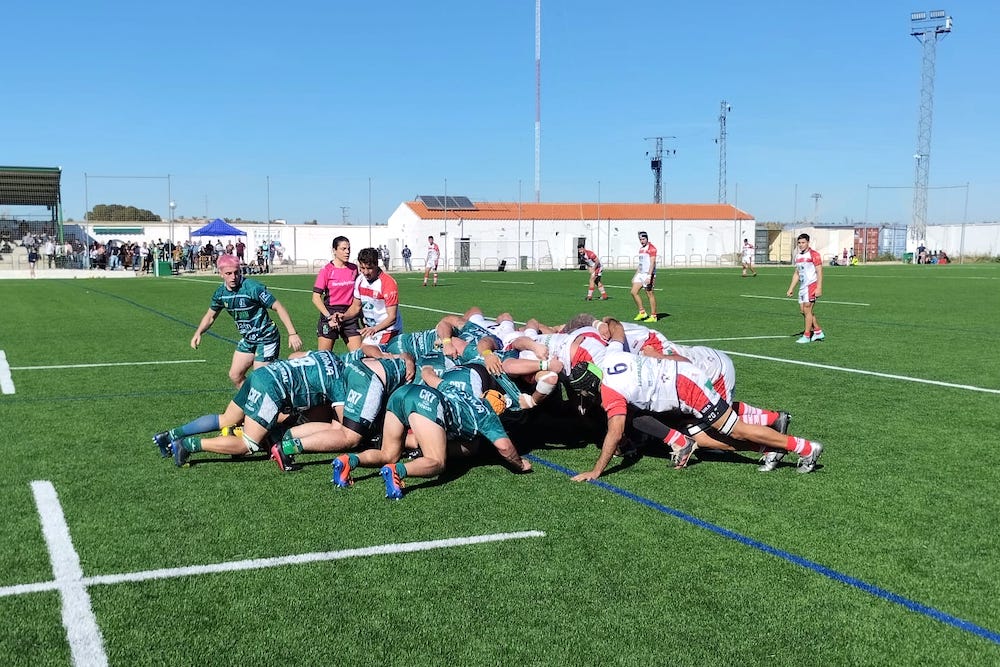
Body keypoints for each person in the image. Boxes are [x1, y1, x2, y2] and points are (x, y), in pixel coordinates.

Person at [567, 319, 824, 480]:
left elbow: (614, 433)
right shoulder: (611, 355)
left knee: (735, 429)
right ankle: (770, 447)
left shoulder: (610, 391)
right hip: (683, 381)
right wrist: (605, 323)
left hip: (688, 387)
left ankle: (804, 448)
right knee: (702, 434)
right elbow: (616, 327)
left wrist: (596, 470)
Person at [331, 382, 530, 499]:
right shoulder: (489, 416)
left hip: (403, 392)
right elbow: (504, 447)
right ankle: (398, 471)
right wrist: (520, 464)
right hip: (427, 403)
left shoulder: (464, 393)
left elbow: (430, 376)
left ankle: (348, 461)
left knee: (389, 453)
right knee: (437, 462)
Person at [153, 350, 346, 467]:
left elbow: (294, 355)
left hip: (263, 373)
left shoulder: (327, 355)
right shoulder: (339, 382)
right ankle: (187, 445)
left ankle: (170, 435)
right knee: (248, 444)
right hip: (271, 388)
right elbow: (344, 427)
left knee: (227, 419)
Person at [189, 254, 302, 387]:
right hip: (248, 339)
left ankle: (279, 405)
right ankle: (253, 404)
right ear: (220, 274)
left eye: (236, 273)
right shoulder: (220, 293)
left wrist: (292, 333)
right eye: (228, 273)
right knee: (235, 375)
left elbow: (278, 307)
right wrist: (198, 333)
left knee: (261, 380)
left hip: (266, 337)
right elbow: (210, 316)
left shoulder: (252, 287)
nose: (233, 277)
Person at [340, 247, 402, 345]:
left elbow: (392, 317)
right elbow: (356, 307)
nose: (365, 272)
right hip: (372, 331)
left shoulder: (388, 283)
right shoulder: (360, 280)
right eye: (362, 268)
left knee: (365, 353)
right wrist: (342, 317)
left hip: (388, 331)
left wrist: (375, 329)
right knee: (363, 356)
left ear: (376, 265)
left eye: (369, 268)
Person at [312, 236, 361, 352]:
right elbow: (315, 298)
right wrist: (329, 317)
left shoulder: (354, 269)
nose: (347, 252)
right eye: (343, 249)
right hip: (330, 314)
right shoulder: (326, 270)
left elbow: (358, 296)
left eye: (349, 249)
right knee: (324, 357)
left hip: (349, 314)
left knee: (359, 356)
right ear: (334, 250)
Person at [787, 233, 824, 343]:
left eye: (803, 242)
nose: (801, 245)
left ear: (808, 243)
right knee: (803, 311)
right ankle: (817, 331)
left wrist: (819, 287)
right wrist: (791, 288)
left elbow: (819, 272)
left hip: (811, 285)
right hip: (803, 287)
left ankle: (807, 335)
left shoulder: (814, 254)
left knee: (807, 309)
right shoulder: (798, 256)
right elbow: (797, 274)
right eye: (799, 243)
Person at [630, 231, 658, 323]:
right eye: (640, 239)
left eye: (643, 239)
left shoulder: (652, 248)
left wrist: (649, 276)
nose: (642, 241)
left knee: (649, 293)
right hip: (641, 273)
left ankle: (654, 316)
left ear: (647, 238)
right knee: (633, 292)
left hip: (648, 273)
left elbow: (652, 263)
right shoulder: (641, 249)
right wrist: (635, 275)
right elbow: (641, 263)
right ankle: (642, 312)